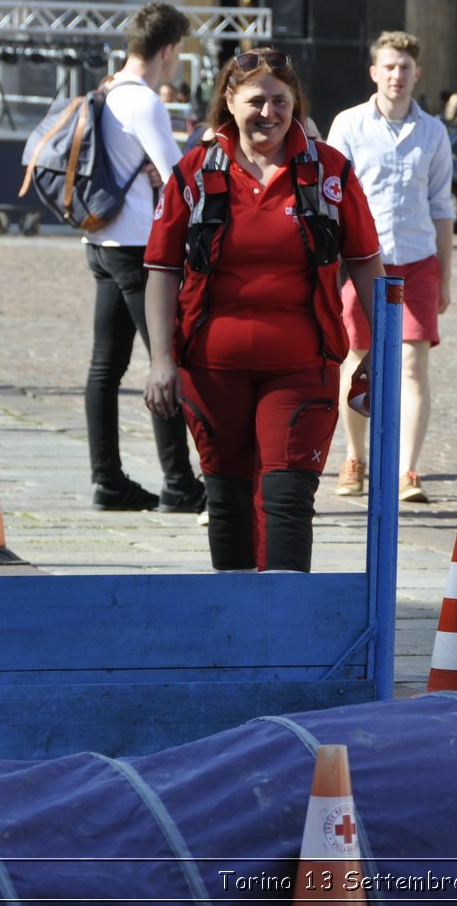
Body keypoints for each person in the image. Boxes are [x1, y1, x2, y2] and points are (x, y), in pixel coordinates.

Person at [143, 49, 385, 572]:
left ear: (296, 103)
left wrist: (380, 350)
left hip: (302, 367)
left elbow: (367, 264)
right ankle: (235, 633)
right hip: (209, 371)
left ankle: (287, 633)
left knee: (287, 501)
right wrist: (161, 359)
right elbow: (161, 270)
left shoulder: (329, 172)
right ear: (229, 102)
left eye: (281, 100)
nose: (269, 112)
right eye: (256, 100)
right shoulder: (194, 171)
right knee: (226, 501)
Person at [84, 2, 204, 514]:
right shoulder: (146, 102)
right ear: (169, 49)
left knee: (104, 368)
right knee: (165, 362)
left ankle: (107, 481)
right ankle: (179, 482)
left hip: (100, 240)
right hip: (138, 247)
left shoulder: (107, 90)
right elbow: (179, 177)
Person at [327, 31, 454, 504]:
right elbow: (333, 199)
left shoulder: (433, 132)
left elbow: (441, 206)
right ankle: (354, 457)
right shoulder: (349, 125)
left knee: (412, 364)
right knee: (358, 359)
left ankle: (406, 470)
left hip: (417, 261)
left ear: (417, 74)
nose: (397, 75)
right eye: (389, 67)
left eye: (405, 68)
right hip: (364, 261)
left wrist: (443, 270)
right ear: (374, 72)